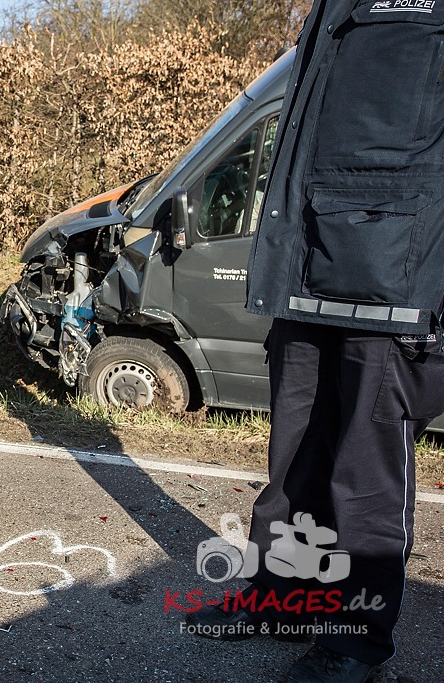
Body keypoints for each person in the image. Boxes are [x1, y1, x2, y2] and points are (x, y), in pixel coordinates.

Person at [187, 1, 444, 682]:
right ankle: (282, 598)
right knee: (294, 459)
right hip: (305, 261)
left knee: (365, 475)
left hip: (394, 277)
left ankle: (356, 641)